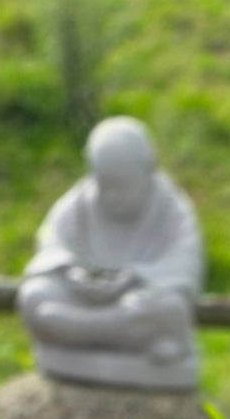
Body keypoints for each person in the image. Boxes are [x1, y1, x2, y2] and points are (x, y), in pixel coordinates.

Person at [17, 118, 204, 391]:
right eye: (106, 186)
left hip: (135, 303)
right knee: (35, 294)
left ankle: (77, 331)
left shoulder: (172, 210)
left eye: (124, 186)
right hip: (84, 298)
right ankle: (112, 333)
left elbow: (183, 265)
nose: (114, 197)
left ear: (148, 168)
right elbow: (52, 247)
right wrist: (71, 272)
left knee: (170, 308)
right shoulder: (77, 204)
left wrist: (137, 279)